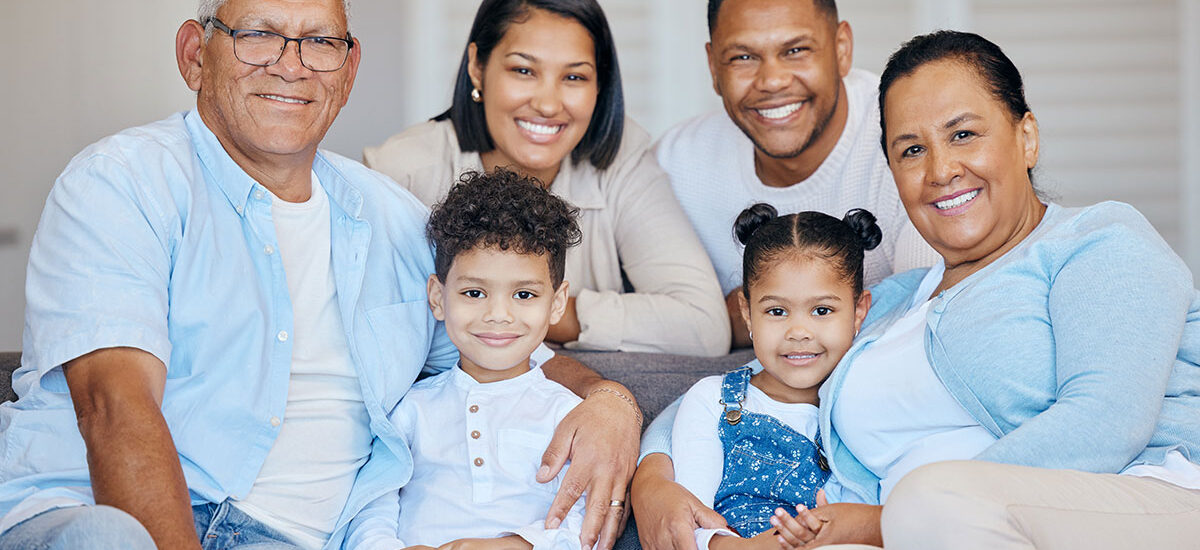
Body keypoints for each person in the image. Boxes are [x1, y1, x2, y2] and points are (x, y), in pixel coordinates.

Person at [0, 1, 640, 549]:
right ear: (195, 55)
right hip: (113, 516)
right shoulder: (123, 183)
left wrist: (609, 401)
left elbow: (498, 349)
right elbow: (114, 407)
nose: (291, 64)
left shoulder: (397, 222)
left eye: (320, 42)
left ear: (349, 68)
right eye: (258, 34)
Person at [637, 29, 1200, 550]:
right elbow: (749, 387)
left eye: (963, 135)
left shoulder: (1098, 242)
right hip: (920, 528)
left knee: (926, 503)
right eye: (911, 149)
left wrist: (881, 521)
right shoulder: (890, 302)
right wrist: (653, 476)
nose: (941, 169)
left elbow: (1104, 426)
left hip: (1136, 500)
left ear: (1026, 137)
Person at [364, 0, 730, 357]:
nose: (548, 104)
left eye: (574, 77)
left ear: (599, 85)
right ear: (477, 67)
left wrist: (537, 313)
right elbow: (372, 330)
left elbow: (704, 325)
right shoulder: (402, 171)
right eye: (524, 71)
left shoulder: (622, 162)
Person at [654, 0, 936, 349]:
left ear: (842, 48)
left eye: (796, 50)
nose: (772, 81)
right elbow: (663, 320)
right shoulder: (675, 162)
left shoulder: (912, 141)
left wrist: (738, 315)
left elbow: (924, 316)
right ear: (714, 67)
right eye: (743, 57)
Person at [349, 169, 596, 550]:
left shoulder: (567, 415)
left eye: (524, 295)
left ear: (557, 303)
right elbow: (371, 506)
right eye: (474, 293)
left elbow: (586, 516)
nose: (498, 315)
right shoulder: (410, 410)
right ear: (437, 297)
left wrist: (516, 546)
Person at [670, 204, 876, 550]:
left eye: (822, 310)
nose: (799, 331)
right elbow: (689, 520)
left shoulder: (871, 405)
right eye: (777, 311)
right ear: (747, 313)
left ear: (858, 312)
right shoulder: (714, 401)